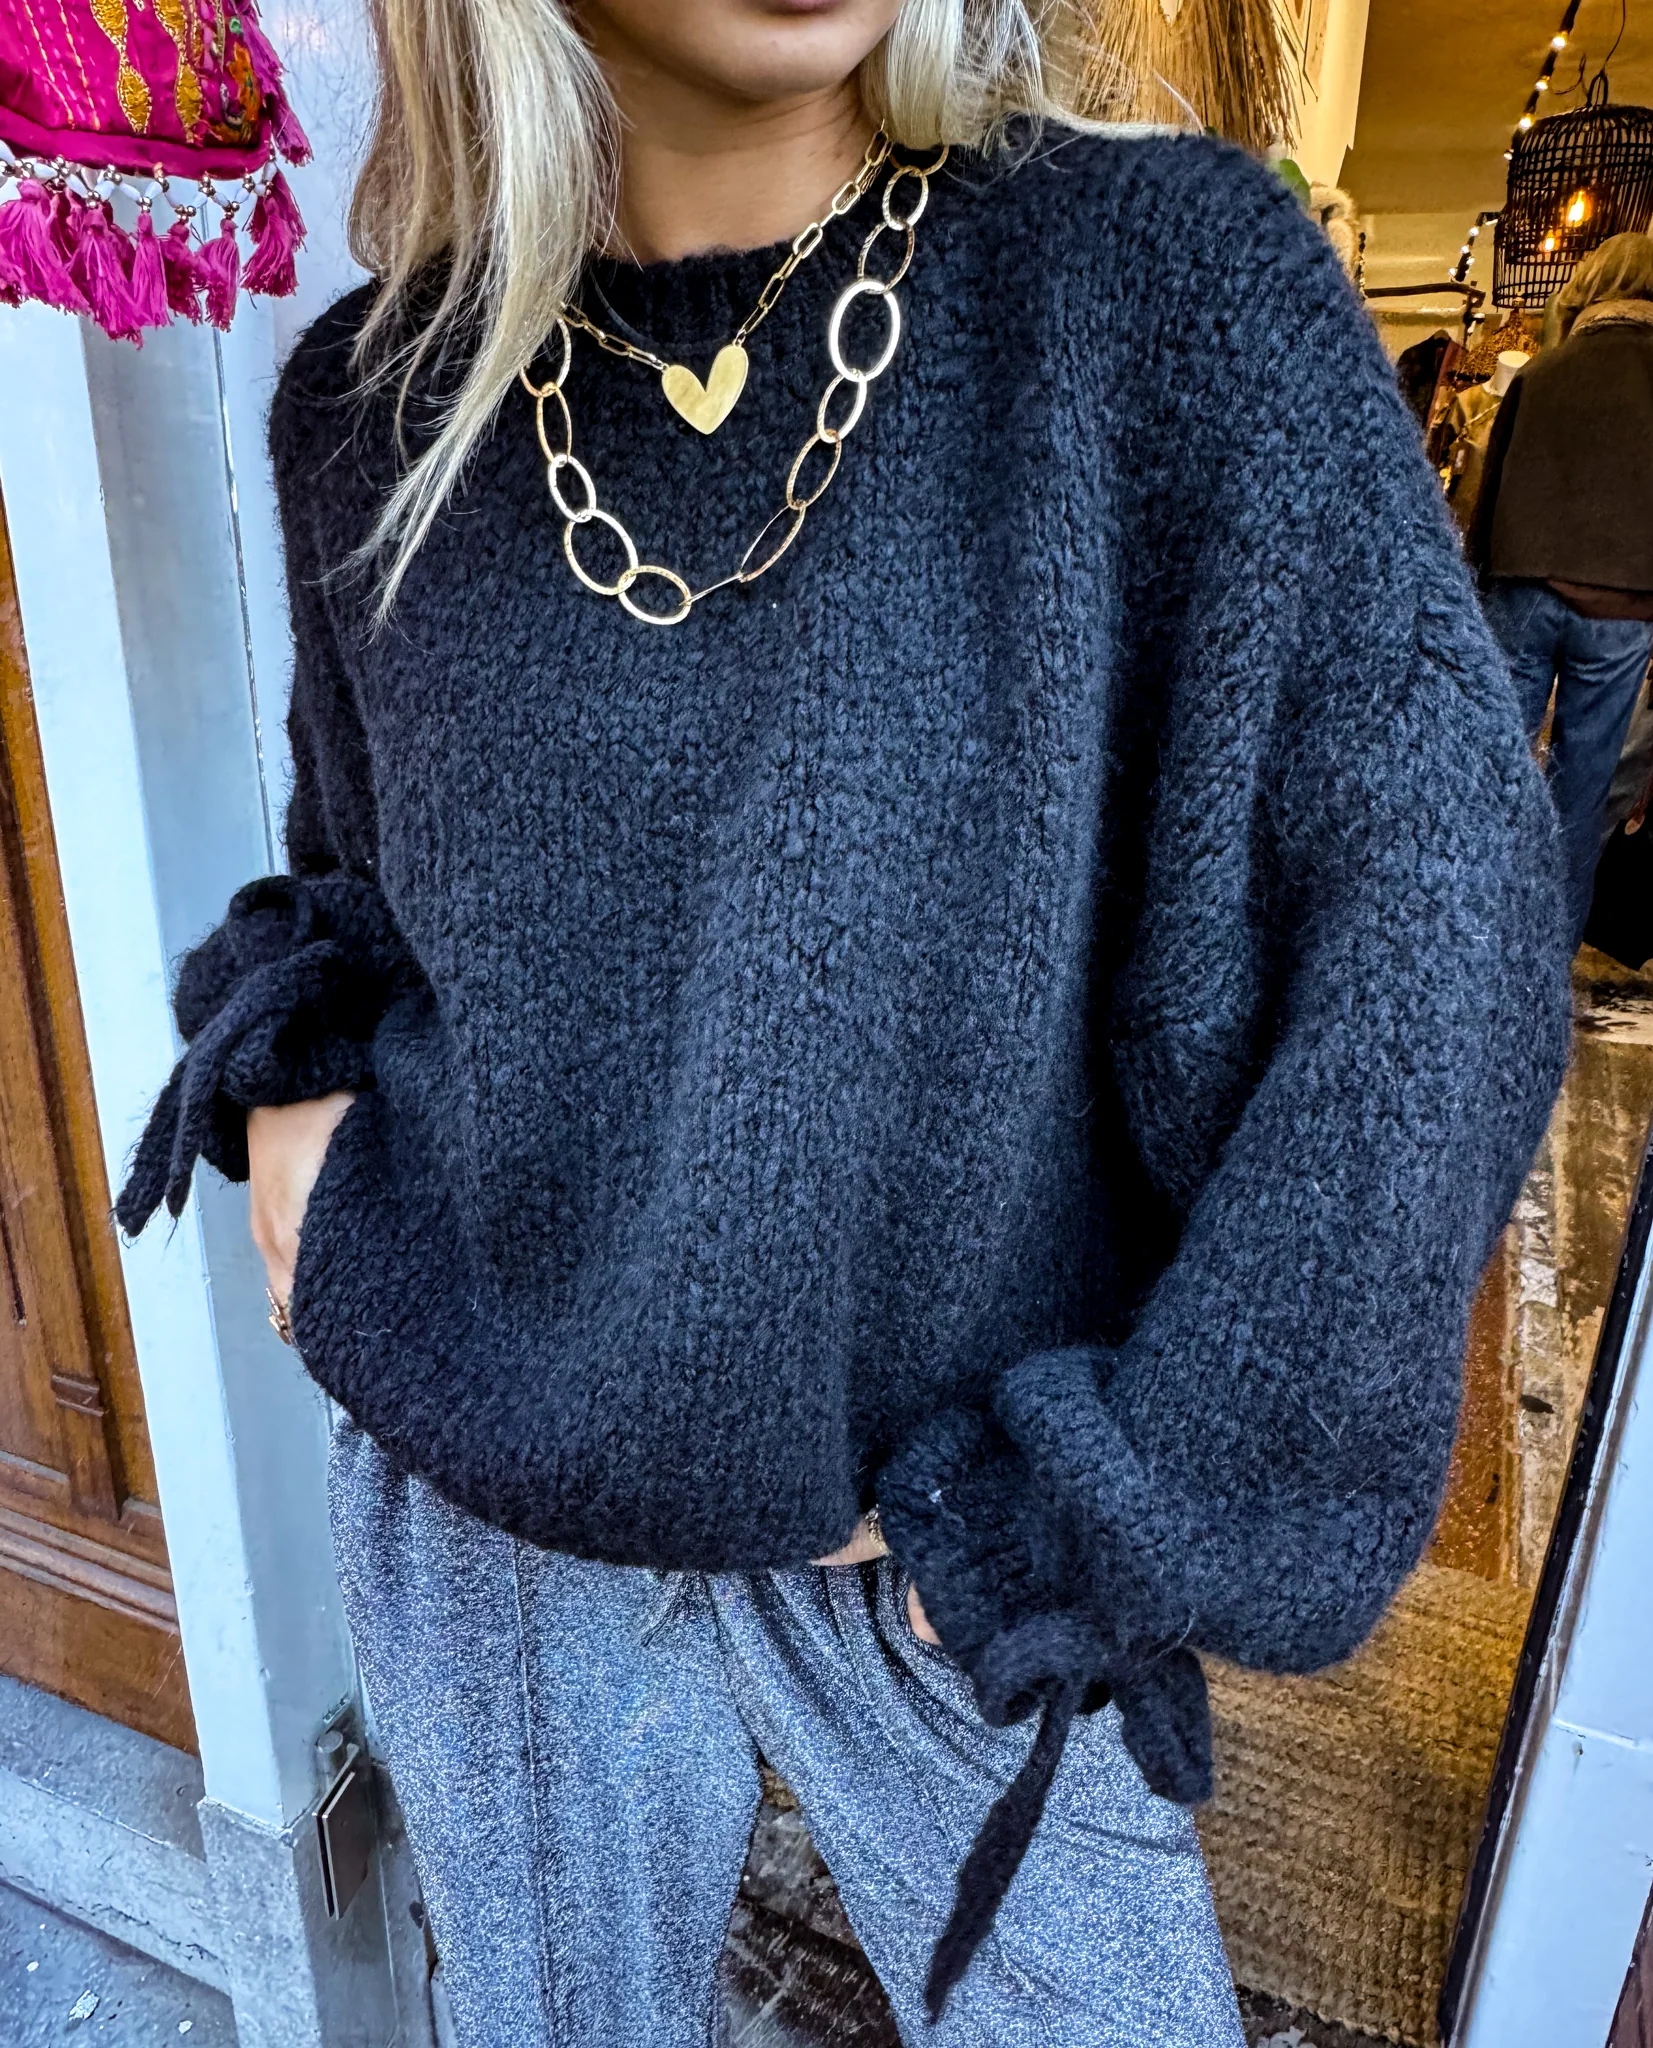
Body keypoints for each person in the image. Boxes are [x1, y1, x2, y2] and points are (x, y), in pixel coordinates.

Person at [115, 2, 1570, 2042]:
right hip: (494, 1486)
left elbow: (1437, 939)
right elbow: (361, 883)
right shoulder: (372, 408)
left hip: (950, 1535)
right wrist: (295, 1102)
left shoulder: (1155, 290)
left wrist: (1128, 1488)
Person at [1472, 231, 1653, 949]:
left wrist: (1476, 591)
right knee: (1579, 798)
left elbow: (1490, 494)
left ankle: (1465, 945)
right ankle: (1542, 966)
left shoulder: (1542, 373)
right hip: (1623, 606)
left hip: (1522, 586)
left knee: (1490, 777)